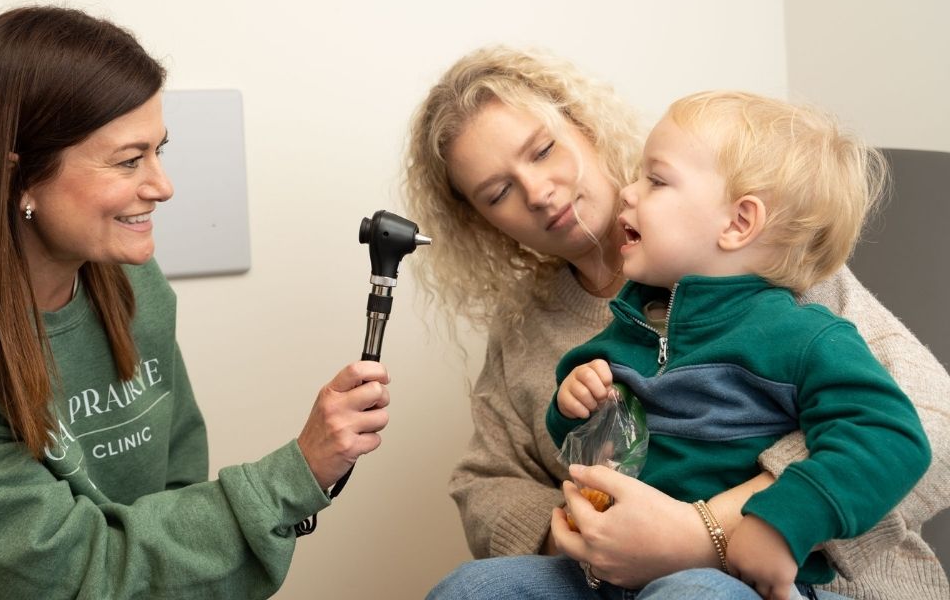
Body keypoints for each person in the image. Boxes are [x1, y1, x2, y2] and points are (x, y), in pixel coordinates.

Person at [0, 6, 391, 600]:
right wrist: (294, 475)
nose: (162, 185)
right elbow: (64, 579)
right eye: (128, 160)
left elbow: (175, 491)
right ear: (17, 177)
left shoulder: (131, 286)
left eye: (158, 151)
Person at [404, 46, 950, 599]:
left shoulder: (769, 267)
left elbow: (925, 419)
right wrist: (584, 526)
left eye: (544, 150)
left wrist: (714, 529)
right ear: (482, 222)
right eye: (498, 192)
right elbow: (487, 480)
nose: (539, 193)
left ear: (585, 128)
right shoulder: (534, 323)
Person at [545, 90, 930, 599]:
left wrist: (778, 523)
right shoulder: (628, 329)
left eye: (655, 180)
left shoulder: (803, 336)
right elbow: (587, 445)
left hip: (733, 582)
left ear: (739, 222)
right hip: (614, 578)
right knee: (477, 586)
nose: (627, 193)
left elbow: (890, 436)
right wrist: (572, 404)